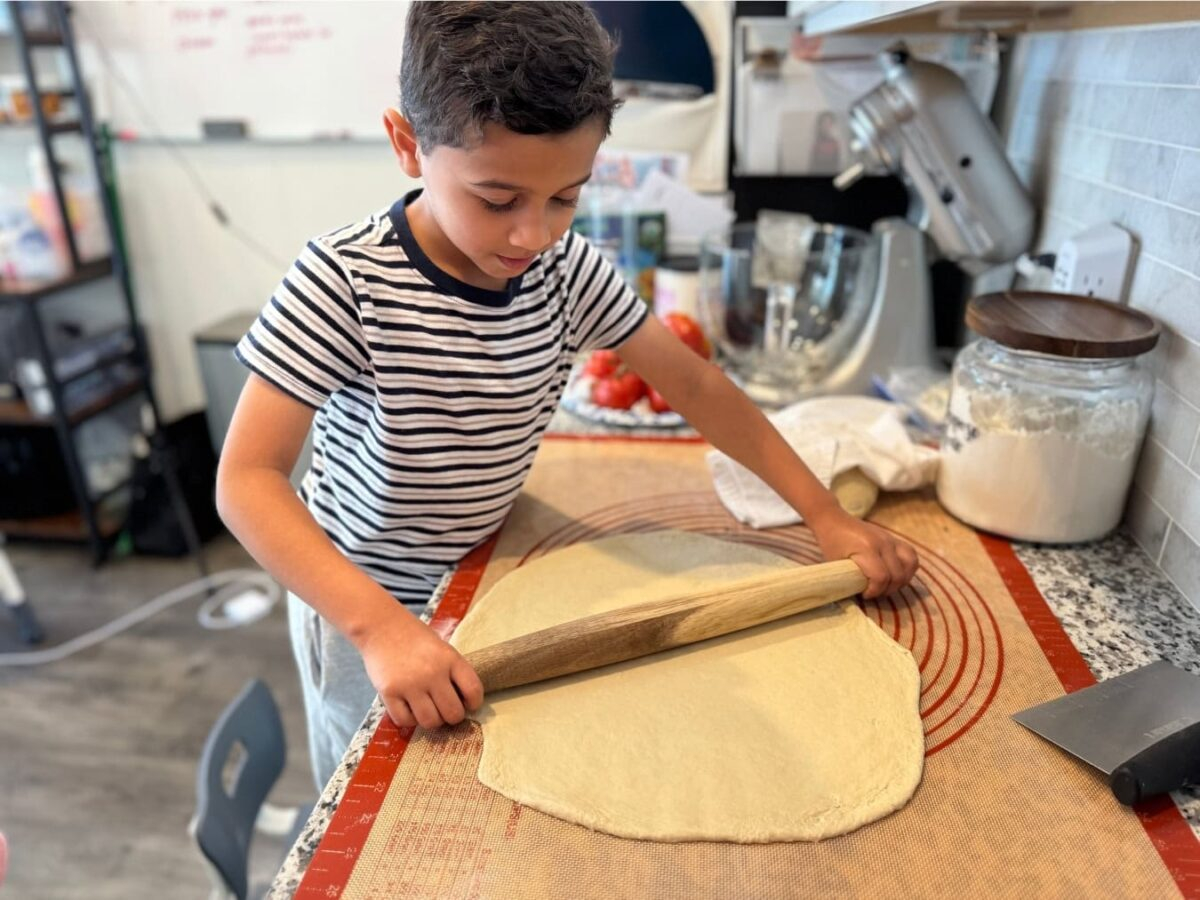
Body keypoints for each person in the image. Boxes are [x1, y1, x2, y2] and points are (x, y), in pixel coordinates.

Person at [217, 1, 919, 790]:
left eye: (565, 197)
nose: (533, 235)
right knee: (378, 787)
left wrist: (823, 515)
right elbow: (247, 481)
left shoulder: (564, 269)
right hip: (360, 600)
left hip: (488, 567)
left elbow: (690, 381)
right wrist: (378, 629)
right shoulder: (343, 282)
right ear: (408, 145)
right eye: (496, 199)